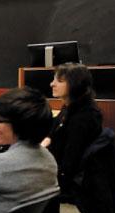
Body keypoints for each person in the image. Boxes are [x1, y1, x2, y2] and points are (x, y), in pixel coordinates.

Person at [43, 63, 102, 197]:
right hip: (56, 166)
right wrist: (46, 140)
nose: (52, 84)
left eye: (59, 80)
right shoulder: (69, 106)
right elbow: (53, 132)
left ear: (75, 84)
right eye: (54, 79)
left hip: (66, 178)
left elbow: (70, 159)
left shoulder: (84, 116)